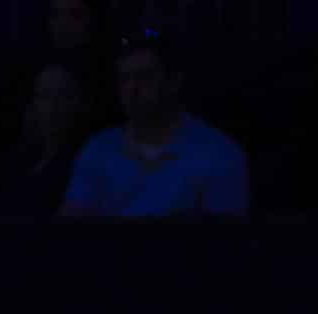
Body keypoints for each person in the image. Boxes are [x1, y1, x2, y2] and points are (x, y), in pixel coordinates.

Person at [60, 29, 250, 219]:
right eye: (124, 79)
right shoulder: (99, 149)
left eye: (144, 77)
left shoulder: (218, 154)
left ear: (173, 82)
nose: (131, 88)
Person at [0, 57, 100, 217]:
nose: (53, 107)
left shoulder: (85, 166)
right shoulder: (18, 160)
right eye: (44, 95)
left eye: (63, 95)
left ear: (81, 102)